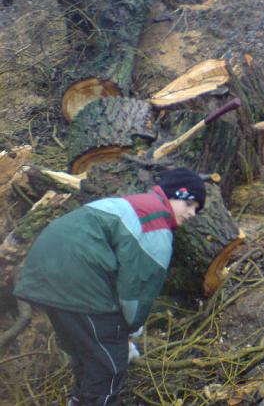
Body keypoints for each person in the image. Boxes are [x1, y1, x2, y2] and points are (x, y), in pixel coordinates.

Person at [14, 168, 206, 406]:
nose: (192, 213)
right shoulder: (155, 225)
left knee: (87, 354)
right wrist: (130, 331)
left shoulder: (132, 204)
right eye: (190, 204)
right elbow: (137, 290)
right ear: (176, 194)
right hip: (78, 277)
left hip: (43, 269)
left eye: (196, 210)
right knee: (110, 364)